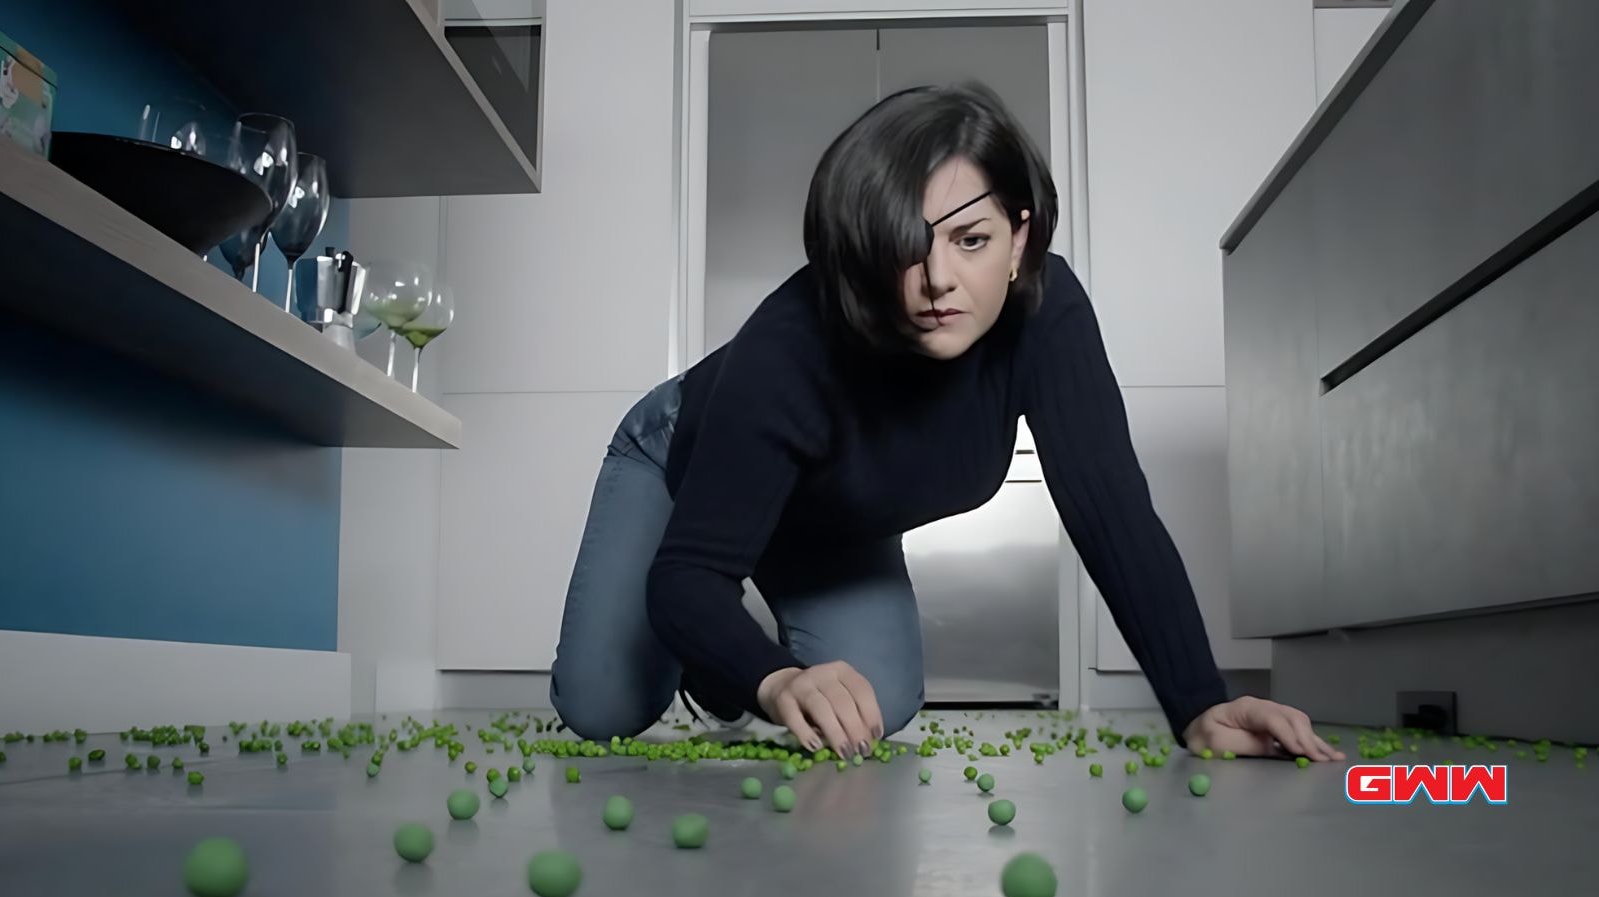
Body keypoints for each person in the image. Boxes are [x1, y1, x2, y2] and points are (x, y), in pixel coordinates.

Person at [549, 81, 1344, 765]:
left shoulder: (1048, 311)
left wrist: (1199, 705)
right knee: (602, 708)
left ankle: (728, 650)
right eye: (906, 248)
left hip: (832, 523)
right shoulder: (788, 343)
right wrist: (771, 676)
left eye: (972, 240)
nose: (939, 281)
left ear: (1019, 238)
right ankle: (709, 663)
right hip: (679, 457)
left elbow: (1113, 515)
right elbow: (687, 572)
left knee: (876, 707)